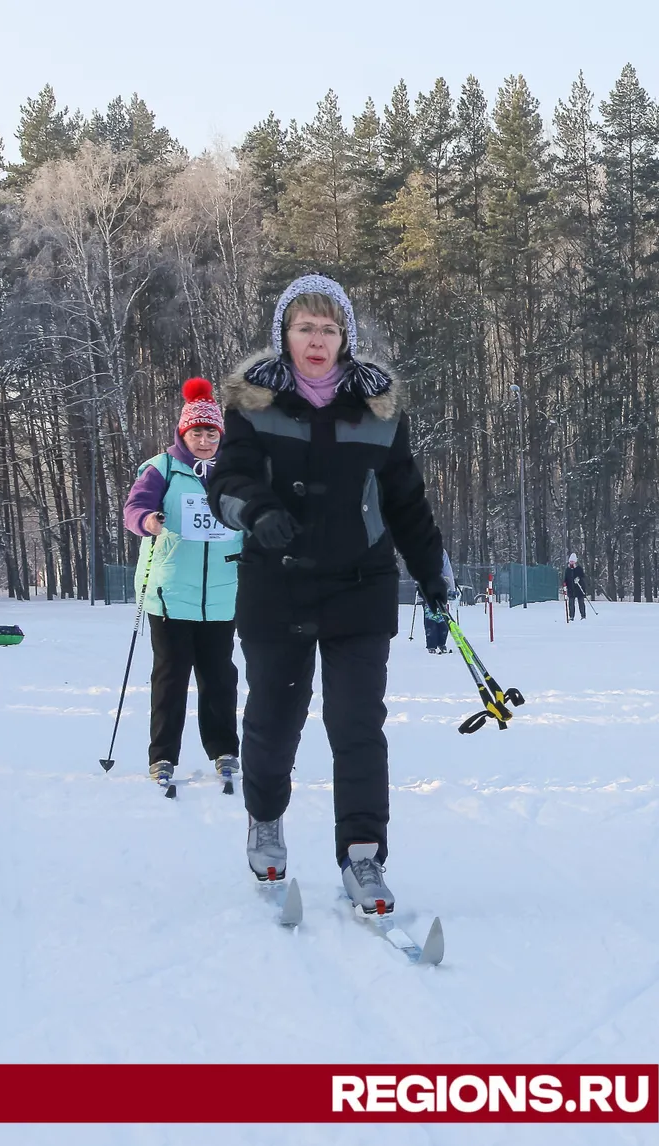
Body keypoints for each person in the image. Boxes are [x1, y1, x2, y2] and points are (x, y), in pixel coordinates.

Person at [209, 274, 447, 914]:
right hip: (276, 586)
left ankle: (363, 854)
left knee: (357, 724)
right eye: (304, 328)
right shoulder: (254, 405)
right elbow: (226, 480)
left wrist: (432, 573)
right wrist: (257, 511)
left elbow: (406, 503)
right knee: (274, 719)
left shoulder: (378, 413)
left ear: (346, 338)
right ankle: (265, 819)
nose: (317, 340)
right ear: (284, 335)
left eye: (328, 329)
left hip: (359, 588)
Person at [121, 377, 242, 789]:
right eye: (197, 434)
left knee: (219, 677)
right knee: (170, 678)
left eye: (211, 434)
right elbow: (135, 507)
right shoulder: (163, 468)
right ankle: (162, 755)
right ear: (183, 434)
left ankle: (224, 750)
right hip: (170, 592)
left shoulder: (236, 470)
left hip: (222, 594)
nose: (204, 442)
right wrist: (147, 520)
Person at [563, 552, 588, 621]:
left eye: (573, 561)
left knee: (581, 603)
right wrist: (565, 585)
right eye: (570, 561)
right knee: (571, 604)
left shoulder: (579, 568)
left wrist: (578, 579)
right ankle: (571, 616)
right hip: (571, 589)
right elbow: (566, 579)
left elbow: (582, 576)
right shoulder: (567, 570)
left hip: (579, 589)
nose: (571, 563)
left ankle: (583, 616)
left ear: (575, 562)